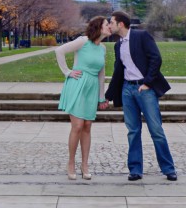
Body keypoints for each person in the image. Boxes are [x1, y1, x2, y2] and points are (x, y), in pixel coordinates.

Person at [106, 10, 177, 182]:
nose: (109, 25)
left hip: (144, 89)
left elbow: (156, 59)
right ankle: (135, 170)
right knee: (133, 131)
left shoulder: (141, 36)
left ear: (121, 24)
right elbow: (118, 71)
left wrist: (147, 83)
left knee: (156, 130)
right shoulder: (118, 45)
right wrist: (108, 95)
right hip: (127, 90)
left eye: (111, 22)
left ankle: (168, 169)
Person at [55, 15, 111, 181]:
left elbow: (102, 74)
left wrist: (101, 97)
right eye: (107, 24)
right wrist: (67, 71)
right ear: (99, 27)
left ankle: (84, 164)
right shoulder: (83, 41)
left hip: (92, 87)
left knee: (87, 126)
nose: (110, 27)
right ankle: (71, 163)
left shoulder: (102, 48)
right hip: (77, 84)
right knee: (77, 126)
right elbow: (59, 51)